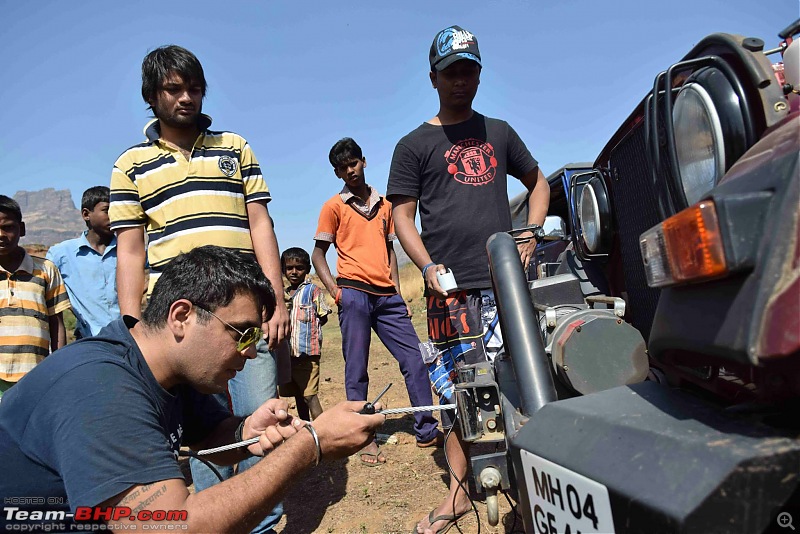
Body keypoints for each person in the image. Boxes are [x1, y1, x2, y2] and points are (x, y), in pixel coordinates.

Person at [0, 246, 385, 532]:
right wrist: (310, 446)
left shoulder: (170, 370)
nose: (251, 353)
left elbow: (206, 438)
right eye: (243, 333)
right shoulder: (101, 388)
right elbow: (170, 526)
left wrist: (244, 431)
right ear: (182, 316)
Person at [108, 45, 290, 532]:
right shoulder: (131, 165)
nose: (186, 97)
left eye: (194, 87)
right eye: (174, 88)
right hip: (181, 324)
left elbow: (262, 226)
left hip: (247, 315)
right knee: (199, 430)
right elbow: (130, 251)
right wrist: (132, 324)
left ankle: (263, 522)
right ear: (151, 96)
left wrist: (275, 301)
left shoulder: (235, 148)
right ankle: (217, 522)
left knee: (258, 417)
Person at [386, 25, 550, 533]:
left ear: (479, 75)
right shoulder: (414, 145)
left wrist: (529, 236)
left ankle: (531, 486)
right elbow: (401, 217)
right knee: (461, 391)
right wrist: (428, 267)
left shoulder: (498, 132)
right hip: (451, 291)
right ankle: (459, 493)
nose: (462, 80)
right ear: (433, 77)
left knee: (519, 379)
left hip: (506, 285)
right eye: (452, 71)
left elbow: (538, 182)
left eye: (470, 70)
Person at [312, 137, 442, 466]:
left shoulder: (385, 206)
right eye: (341, 168)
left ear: (364, 162)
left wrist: (398, 291)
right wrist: (335, 291)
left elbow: (389, 253)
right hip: (353, 293)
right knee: (357, 369)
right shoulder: (333, 207)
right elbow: (318, 255)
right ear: (336, 173)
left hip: (387, 297)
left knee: (414, 360)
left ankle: (427, 429)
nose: (349, 171)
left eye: (353, 164)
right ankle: (364, 439)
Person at [0, 195, 70, 398]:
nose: (2, 234)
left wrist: (58, 367)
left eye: (8, 227)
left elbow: (56, 322)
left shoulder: (46, 270)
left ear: (21, 229)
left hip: (35, 373)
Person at [46, 186, 120, 339]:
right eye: (107, 210)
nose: (114, 215)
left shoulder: (127, 250)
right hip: (89, 339)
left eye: (117, 209)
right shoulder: (61, 254)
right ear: (86, 214)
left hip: (129, 338)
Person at [279, 247, 330, 420]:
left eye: (299, 268)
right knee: (299, 395)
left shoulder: (313, 291)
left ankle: (323, 431)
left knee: (309, 395)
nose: (294, 272)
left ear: (307, 269)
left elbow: (323, 316)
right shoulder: (283, 294)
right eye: (289, 268)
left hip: (307, 355)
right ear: (283, 270)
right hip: (289, 355)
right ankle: (306, 427)